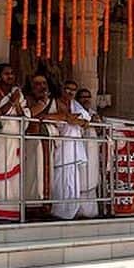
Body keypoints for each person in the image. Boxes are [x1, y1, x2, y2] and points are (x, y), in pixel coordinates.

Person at [0, 64, 29, 222]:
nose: (10, 76)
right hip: (1, 137)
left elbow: (24, 115)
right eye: (6, 73)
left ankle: (13, 211)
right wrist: (12, 101)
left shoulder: (18, 93)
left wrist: (17, 102)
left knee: (15, 175)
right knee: (0, 169)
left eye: (12, 73)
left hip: (16, 137)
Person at [51, 80, 94, 220]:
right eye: (67, 88)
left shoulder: (75, 105)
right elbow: (46, 117)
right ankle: (58, 212)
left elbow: (85, 122)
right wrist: (64, 117)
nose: (70, 92)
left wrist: (74, 120)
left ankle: (71, 212)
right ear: (62, 89)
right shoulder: (54, 103)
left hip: (73, 148)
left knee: (72, 180)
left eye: (73, 90)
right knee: (59, 179)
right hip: (59, 147)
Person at [24, 74, 60, 217]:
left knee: (46, 174)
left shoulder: (52, 101)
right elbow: (29, 115)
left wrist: (48, 117)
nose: (41, 87)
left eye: (44, 83)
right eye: (37, 84)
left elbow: (63, 115)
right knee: (32, 174)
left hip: (47, 141)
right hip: (31, 141)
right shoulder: (27, 99)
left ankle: (45, 206)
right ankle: (31, 206)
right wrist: (42, 106)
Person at [76, 87, 104, 218]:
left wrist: (97, 123)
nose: (86, 99)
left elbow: (100, 132)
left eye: (88, 96)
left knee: (92, 178)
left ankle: (91, 212)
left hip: (92, 150)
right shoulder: (75, 112)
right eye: (83, 97)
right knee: (81, 180)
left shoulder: (93, 113)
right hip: (80, 150)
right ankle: (79, 211)